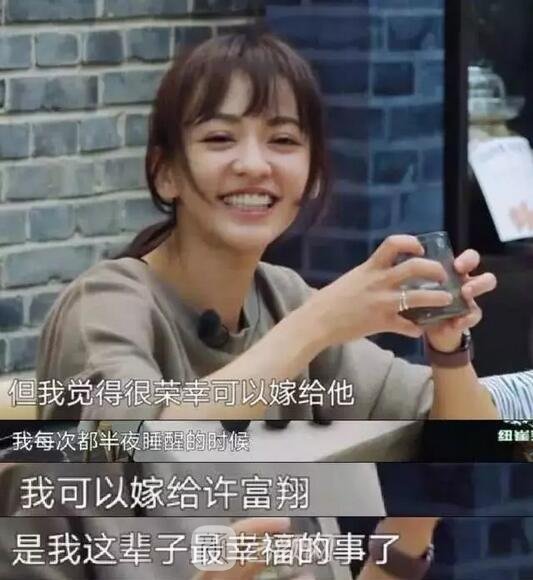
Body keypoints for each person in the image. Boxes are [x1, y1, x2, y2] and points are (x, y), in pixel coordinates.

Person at [36, 29, 498, 424]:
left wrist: (448, 348)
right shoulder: (106, 304)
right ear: (165, 173)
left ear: (313, 175)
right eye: (220, 138)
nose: (254, 165)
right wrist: (318, 325)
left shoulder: (285, 298)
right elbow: (136, 445)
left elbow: (472, 435)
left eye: (282, 140)